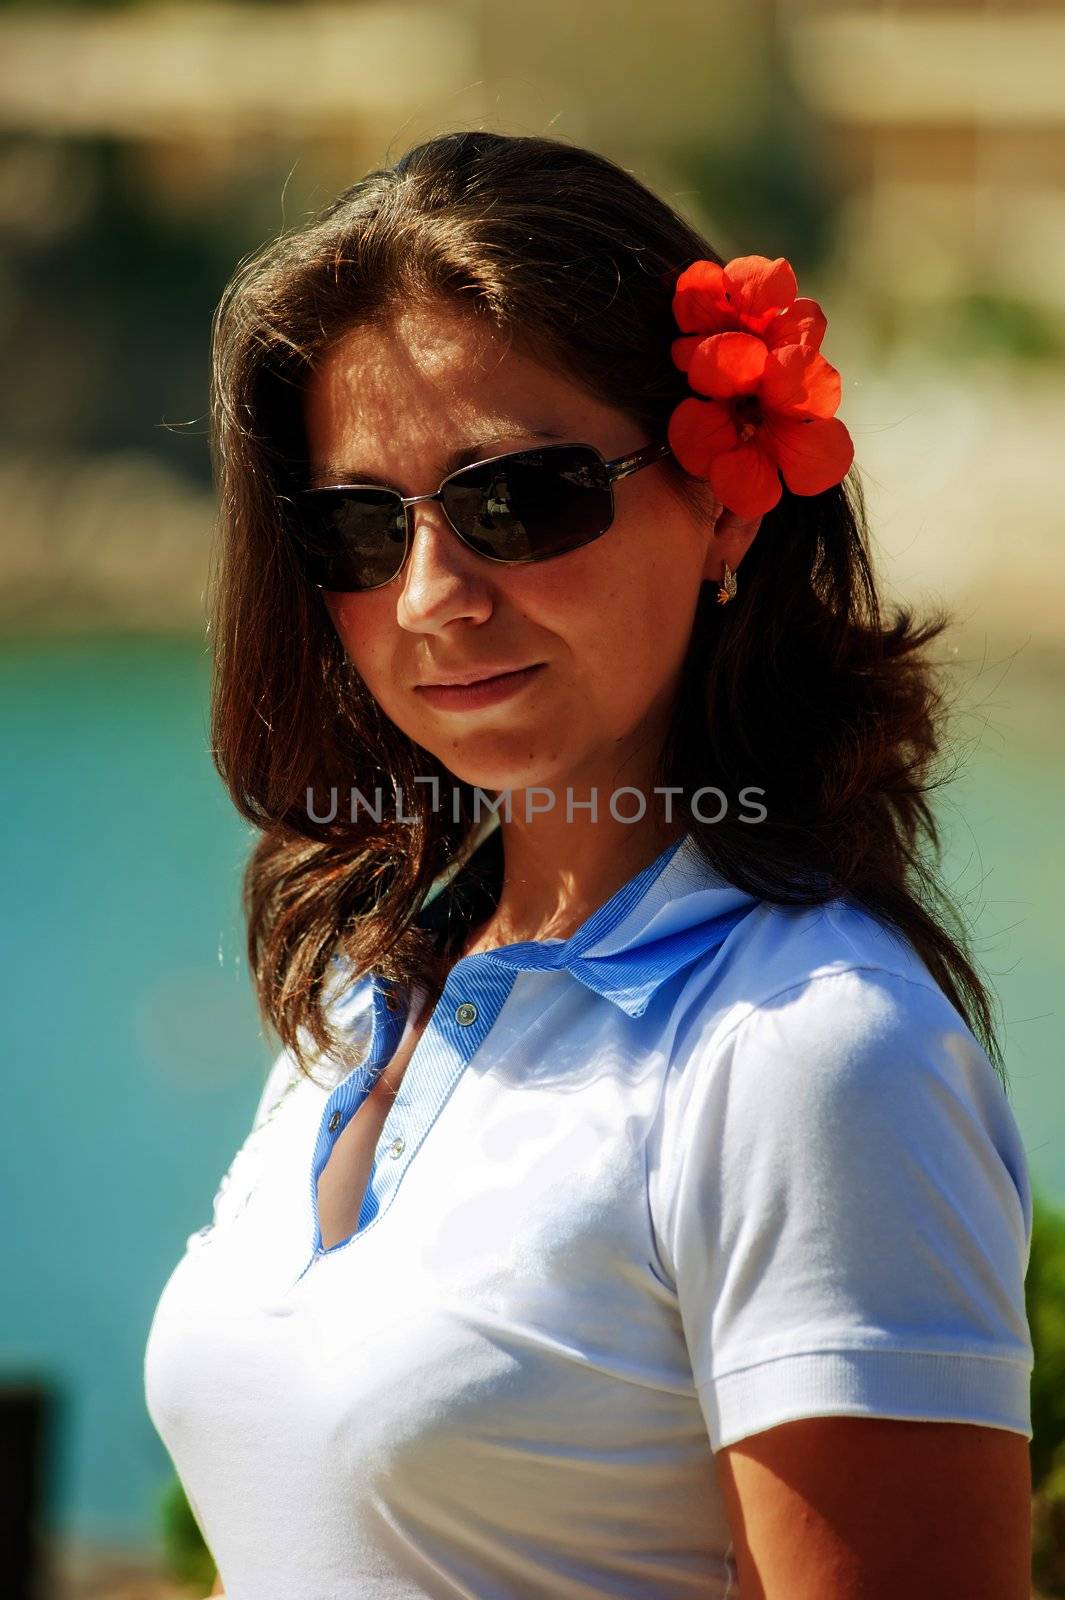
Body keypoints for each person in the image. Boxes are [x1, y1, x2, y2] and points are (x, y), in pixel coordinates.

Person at [143, 130, 1035, 1598]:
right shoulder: (368, 994)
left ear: (730, 501)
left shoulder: (812, 1055)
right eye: (359, 528)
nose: (431, 597)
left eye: (519, 499)